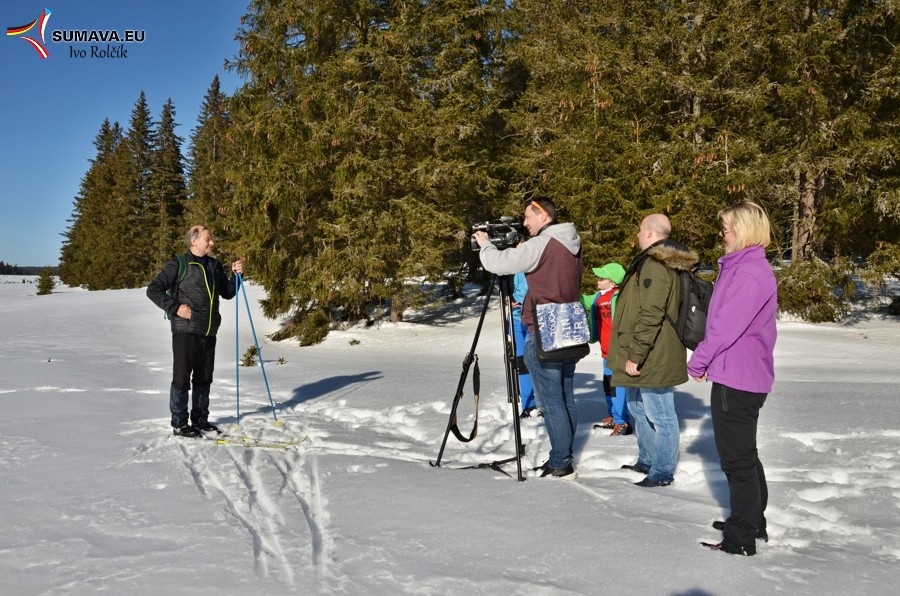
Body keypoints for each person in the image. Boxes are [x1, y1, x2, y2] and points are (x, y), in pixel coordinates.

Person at [689, 201, 777, 556]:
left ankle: (742, 537)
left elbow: (726, 326)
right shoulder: (740, 267)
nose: (722, 235)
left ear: (742, 230)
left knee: (737, 460)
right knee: (745, 455)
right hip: (737, 374)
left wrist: (700, 360)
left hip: (738, 378)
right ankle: (752, 520)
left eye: (726, 228)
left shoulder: (749, 273)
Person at [473, 197, 583, 479]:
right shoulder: (571, 240)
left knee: (550, 401)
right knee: (565, 395)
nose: (524, 223)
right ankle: (563, 456)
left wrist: (485, 243)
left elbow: (500, 263)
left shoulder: (542, 243)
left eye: (527, 217)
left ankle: (561, 462)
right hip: (569, 325)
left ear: (543, 215)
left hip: (544, 327)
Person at [608, 214, 697, 488]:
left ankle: (662, 471)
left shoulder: (656, 264)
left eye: (639, 230)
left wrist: (637, 353)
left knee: (661, 414)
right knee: (636, 406)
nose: (636, 234)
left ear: (649, 232)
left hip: (654, 352)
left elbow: (652, 312)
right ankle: (647, 458)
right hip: (647, 348)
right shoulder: (653, 261)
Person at [147, 225, 243, 437]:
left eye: (211, 239)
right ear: (194, 241)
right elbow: (153, 289)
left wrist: (236, 276)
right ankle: (180, 423)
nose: (212, 242)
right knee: (181, 378)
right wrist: (175, 308)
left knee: (203, 378)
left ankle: (200, 419)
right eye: (208, 239)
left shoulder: (214, 265)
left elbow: (227, 293)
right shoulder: (179, 264)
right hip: (185, 330)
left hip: (209, 331)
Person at [582, 262, 631, 436]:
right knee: (608, 384)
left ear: (612, 282)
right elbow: (583, 300)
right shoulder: (597, 297)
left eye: (601, 278)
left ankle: (622, 422)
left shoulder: (621, 296)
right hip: (605, 350)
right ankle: (614, 415)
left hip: (618, 350)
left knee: (617, 386)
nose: (597, 280)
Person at [511, 271, 537, 417]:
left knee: (538, 362)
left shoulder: (536, 258)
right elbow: (508, 289)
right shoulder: (512, 264)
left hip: (536, 318)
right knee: (522, 363)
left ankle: (542, 404)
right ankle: (528, 405)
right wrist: (507, 299)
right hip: (516, 318)